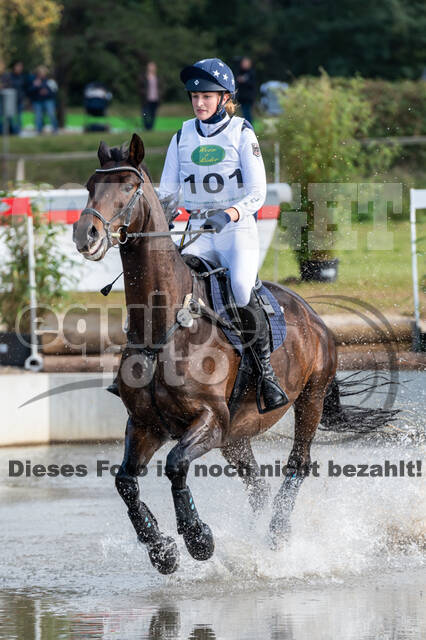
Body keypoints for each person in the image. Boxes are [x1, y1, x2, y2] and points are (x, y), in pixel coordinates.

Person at [158, 57, 288, 412]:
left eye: (207, 96)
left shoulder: (243, 133)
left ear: (225, 97)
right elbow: (168, 193)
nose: (199, 103)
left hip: (235, 230)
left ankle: (265, 374)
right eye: (194, 96)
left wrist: (228, 213)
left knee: (242, 287)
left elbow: (258, 193)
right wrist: (162, 220)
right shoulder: (181, 135)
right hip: (198, 229)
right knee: (171, 283)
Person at [27, 66, 58, 134]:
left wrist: (47, 92)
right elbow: (30, 91)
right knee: (38, 117)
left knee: (51, 114)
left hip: (48, 100)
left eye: (43, 72)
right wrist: (35, 86)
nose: (41, 74)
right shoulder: (35, 81)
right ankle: (39, 130)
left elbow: (54, 92)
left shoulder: (50, 81)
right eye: (40, 73)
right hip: (37, 101)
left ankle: (55, 129)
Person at [5, 61, 28, 134]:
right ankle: (11, 132)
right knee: (11, 118)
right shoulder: (9, 76)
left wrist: (24, 97)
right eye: (18, 66)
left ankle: (17, 132)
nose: (20, 68)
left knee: (18, 118)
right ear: (14, 67)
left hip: (20, 100)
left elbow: (25, 88)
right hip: (11, 101)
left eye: (21, 66)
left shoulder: (22, 77)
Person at [140, 61, 161, 131]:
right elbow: (140, 87)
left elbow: (161, 87)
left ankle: (151, 128)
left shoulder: (157, 77)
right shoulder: (144, 77)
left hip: (155, 99)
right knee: (145, 114)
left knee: (153, 114)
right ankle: (146, 127)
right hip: (146, 99)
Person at [236, 57, 256, 124]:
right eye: (243, 63)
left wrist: (244, 81)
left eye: (246, 63)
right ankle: (245, 126)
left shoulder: (251, 73)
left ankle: (249, 127)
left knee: (247, 114)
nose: (244, 64)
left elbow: (253, 85)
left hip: (248, 98)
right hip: (241, 97)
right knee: (243, 114)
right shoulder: (239, 72)